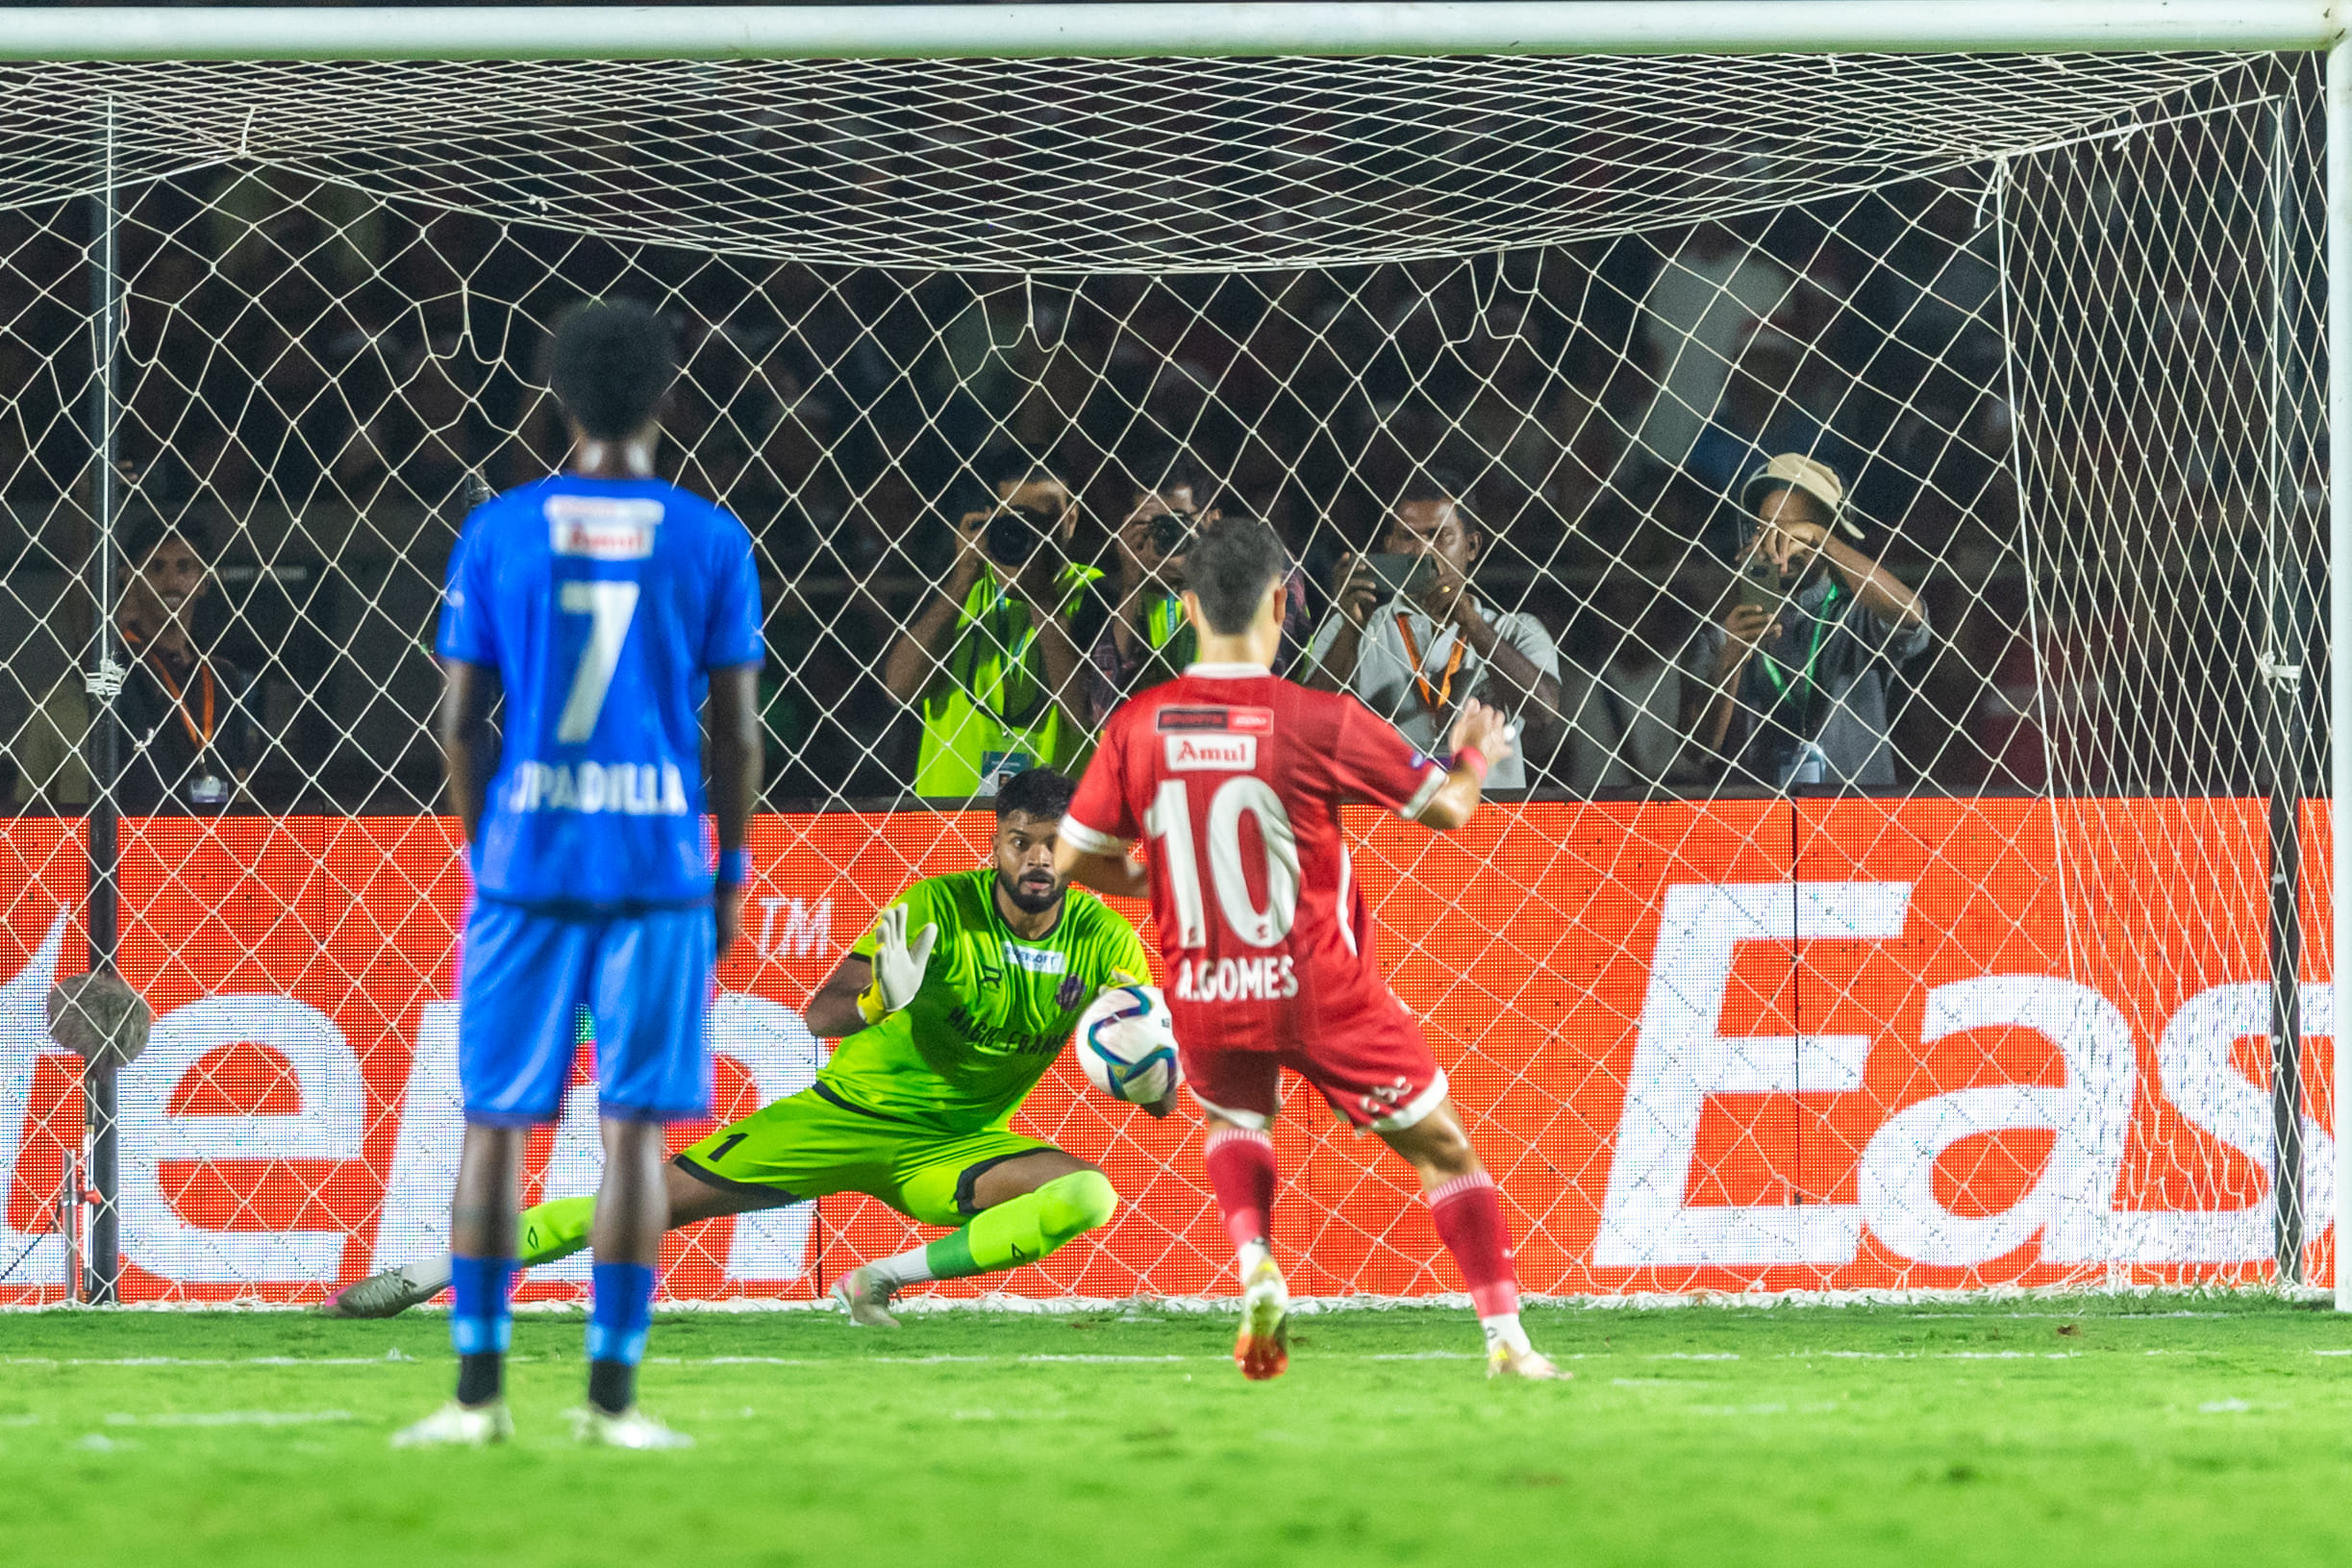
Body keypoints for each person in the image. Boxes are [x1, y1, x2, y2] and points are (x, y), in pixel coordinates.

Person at [324, 768, 1161, 1327]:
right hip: (843, 1118)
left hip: (958, 1148)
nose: (1039, 858)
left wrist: (1152, 1069)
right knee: (646, 1202)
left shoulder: (1104, 939)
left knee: (1086, 1195)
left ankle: (881, 1279)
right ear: (995, 843)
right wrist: (879, 997)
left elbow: (1154, 1089)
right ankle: (437, 1269)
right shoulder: (936, 906)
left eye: (1055, 841)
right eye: (1021, 839)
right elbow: (818, 1014)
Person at [1055, 513, 1567, 1382]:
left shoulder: (1138, 723)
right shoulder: (1316, 716)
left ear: (1184, 606)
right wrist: (1475, 753)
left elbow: (1072, 859)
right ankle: (1507, 1340)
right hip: (1319, 980)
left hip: (1206, 975)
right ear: (1286, 603)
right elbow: (1447, 808)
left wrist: (1164, 884)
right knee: (1445, 1151)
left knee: (1235, 1116)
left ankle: (1255, 1259)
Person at [393, 299, 763, 1450]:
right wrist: (732, 868)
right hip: (657, 862)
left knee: (497, 1128)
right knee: (634, 1134)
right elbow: (738, 735)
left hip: (527, 859)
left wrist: (483, 844)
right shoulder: (710, 538)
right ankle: (612, 1399)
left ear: (554, 401)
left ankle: (477, 1396)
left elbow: (458, 722)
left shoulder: (498, 530)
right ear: (670, 399)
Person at [1304, 470, 1561, 791]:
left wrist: (1474, 626)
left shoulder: (1514, 628)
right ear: (1388, 546)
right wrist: (1352, 629)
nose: (1422, 551)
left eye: (1439, 535)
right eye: (1408, 537)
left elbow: (1544, 710)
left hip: (1489, 824)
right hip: (1387, 823)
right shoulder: (1354, 624)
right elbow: (1308, 721)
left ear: (1472, 546)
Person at [1687, 453, 1931, 789]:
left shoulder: (1860, 609)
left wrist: (1821, 538)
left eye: (1793, 531)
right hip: (1764, 821)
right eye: (1764, 529)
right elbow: (1697, 750)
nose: (1777, 543)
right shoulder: (1734, 621)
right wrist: (1728, 663)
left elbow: (1912, 616)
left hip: (1859, 817)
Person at [883, 445, 1098, 798]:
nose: (1033, 535)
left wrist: (1041, 599)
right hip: (950, 825)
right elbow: (899, 689)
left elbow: (1082, 715)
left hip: (1053, 829)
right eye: (1016, 519)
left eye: (1043, 522)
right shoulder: (959, 589)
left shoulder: (1091, 593)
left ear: (1071, 520)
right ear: (990, 518)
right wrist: (962, 578)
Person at [13, 513, 263, 814]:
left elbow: (239, 775)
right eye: (156, 568)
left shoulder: (224, 675)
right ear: (130, 577)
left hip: (207, 845)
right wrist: (84, 506)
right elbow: (86, 637)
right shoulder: (117, 662)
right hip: (134, 845)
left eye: (184, 567)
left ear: (204, 581)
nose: (171, 582)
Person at [1081, 448, 1311, 727]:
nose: (1165, 536)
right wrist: (1131, 587)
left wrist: (1199, 578)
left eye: (1176, 522)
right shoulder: (1135, 585)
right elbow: (1104, 713)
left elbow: (1264, 686)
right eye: (1151, 525)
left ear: (1212, 518)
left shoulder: (1263, 564)